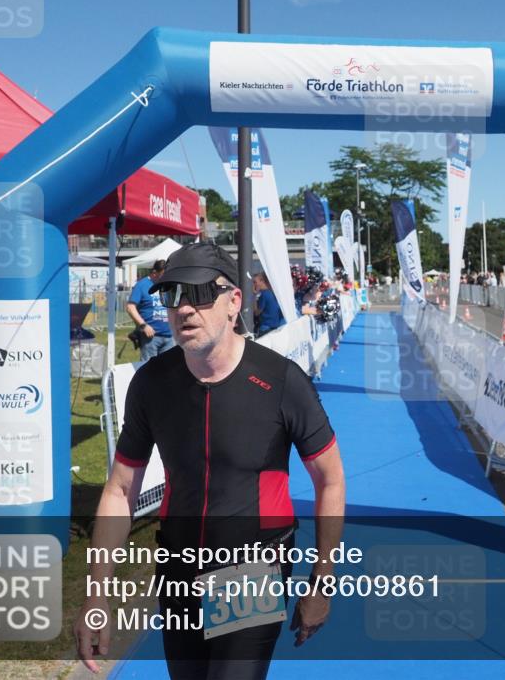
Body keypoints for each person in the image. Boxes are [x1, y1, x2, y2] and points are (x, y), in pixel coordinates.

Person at [75, 243, 345, 679]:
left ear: (233, 301)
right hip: (177, 568)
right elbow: (120, 491)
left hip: (253, 569)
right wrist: (97, 595)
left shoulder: (279, 381)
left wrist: (322, 582)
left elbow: (330, 479)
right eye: (171, 295)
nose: (183, 308)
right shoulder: (151, 383)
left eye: (200, 293)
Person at [126, 259, 174, 362]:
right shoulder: (142, 285)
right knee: (148, 368)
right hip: (151, 337)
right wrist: (143, 325)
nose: (165, 277)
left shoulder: (167, 285)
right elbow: (130, 307)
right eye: (163, 274)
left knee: (169, 369)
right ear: (154, 273)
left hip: (170, 336)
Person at [253, 272, 285, 337]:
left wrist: (254, 295)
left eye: (255, 282)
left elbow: (256, 313)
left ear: (262, 281)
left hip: (266, 328)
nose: (254, 285)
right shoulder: (272, 293)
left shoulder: (264, 295)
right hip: (276, 326)